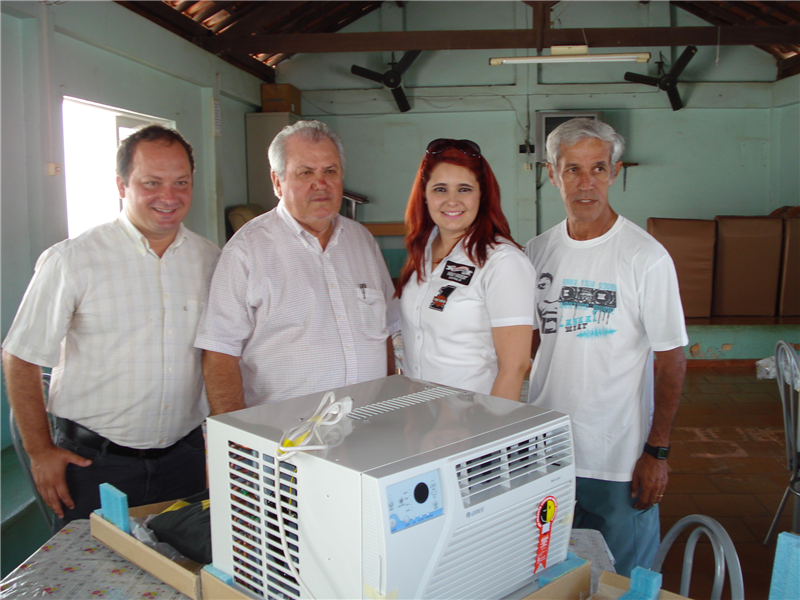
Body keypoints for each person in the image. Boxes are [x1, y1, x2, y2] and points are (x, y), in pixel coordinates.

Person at [2, 125, 220, 523]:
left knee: (182, 575)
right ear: (122, 185)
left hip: (185, 460)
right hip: (94, 467)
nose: (169, 197)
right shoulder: (72, 260)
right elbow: (20, 357)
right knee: (93, 578)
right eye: (151, 183)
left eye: (181, 182)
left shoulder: (212, 260)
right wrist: (39, 451)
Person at [524, 118, 688, 576]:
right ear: (552, 175)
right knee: (555, 573)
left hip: (619, 457)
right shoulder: (535, 252)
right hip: (551, 452)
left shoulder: (646, 257)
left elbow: (672, 358)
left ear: (614, 173)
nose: (585, 183)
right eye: (572, 169)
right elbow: (529, 346)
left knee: (621, 580)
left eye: (598, 168)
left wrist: (656, 452)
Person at [196, 120, 400, 412]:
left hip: (368, 426)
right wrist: (235, 437)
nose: (321, 184)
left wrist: (389, 404)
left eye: (330, 171)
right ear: (278, 182)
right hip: (285, 438)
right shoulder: (245, 252)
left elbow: (386, 331)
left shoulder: (362, 241)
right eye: (305, 173)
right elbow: (219, 354)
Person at [396, 138, 536, 401]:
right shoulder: (422, 248)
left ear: (482, 196)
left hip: (475, 421)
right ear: (424, 196)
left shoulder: (503, 262)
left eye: (464, 189)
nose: (452, 201)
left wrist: (491, 434)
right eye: (440, 189)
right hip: (421, 416)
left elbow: (515, 366)